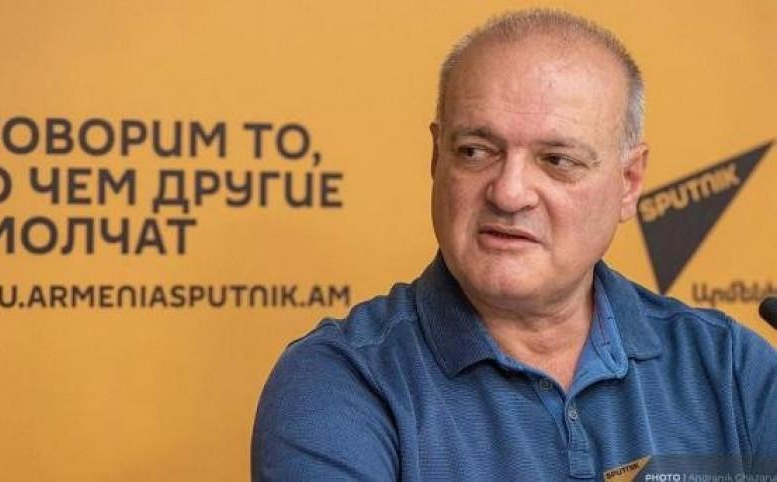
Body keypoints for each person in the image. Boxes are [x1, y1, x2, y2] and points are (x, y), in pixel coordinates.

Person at [252, 9, 776, 481]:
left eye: (558, 160)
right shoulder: (340, 381)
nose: (508, 192)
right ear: (437, 158)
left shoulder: (731, 367)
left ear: (628, 182)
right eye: (476, 151)